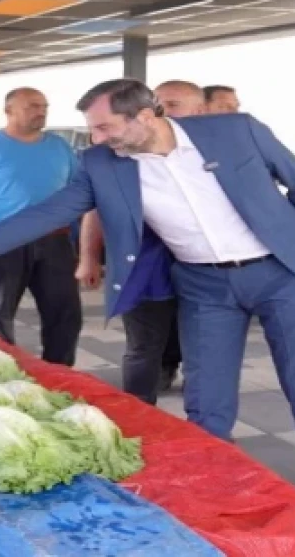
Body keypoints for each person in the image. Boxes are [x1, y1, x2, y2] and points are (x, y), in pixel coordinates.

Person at [0, 78, 295, 500]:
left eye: (105, 127)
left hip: (283, 273)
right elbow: (50, 211)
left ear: (145, 116)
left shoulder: (235, 130)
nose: (96, 138)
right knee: (207, 401)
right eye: (92, 129)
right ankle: (212, 495)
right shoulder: (102, 162)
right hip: (205, 286)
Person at [76, 79, 204, 403]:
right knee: (143, 346)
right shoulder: (120, 154)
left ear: (199, 110)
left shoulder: (212, 154)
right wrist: (88, 257)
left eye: (172, 104)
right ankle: (138, 412)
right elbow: (93, 208)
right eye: (159, 102)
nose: (162, 110)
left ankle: (206, 418)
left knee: (203, 346)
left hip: (203, 270)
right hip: (145, 269)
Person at [0, 87, 83, 364]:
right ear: (9, 111)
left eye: (44, 106)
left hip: (55, 241)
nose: (41, 111)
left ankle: (60, 374)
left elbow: (79, 192)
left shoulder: (60, 146)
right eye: (33, 106)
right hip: (0, 240)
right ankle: (2, 374)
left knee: (65, 313)